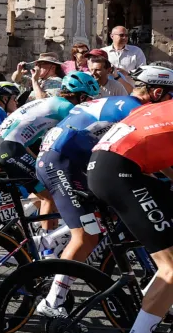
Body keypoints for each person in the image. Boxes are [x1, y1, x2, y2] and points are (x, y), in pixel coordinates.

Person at [34, 82, 159, 317]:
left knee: (108, 210)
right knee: (87, 235)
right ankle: (52, 303)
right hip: (63, 161)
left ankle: (48, 242)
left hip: (67, 158)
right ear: (157, 92)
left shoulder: (123, 103)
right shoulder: (135, 109)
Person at [87, 66, 173, 333]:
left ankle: (158, 301)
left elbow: (157, 149)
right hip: (117, 171)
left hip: (115, 165)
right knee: (172, 266)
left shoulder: (158, 108)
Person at [0, 72, 99, 190]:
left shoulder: (53, 101)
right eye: (90, 98)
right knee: (52, 193)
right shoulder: (66, 107)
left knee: (41, 188)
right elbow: (81, 136)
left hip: (1, 145)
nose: (90, 102)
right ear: (81, 97)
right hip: (10, 147)